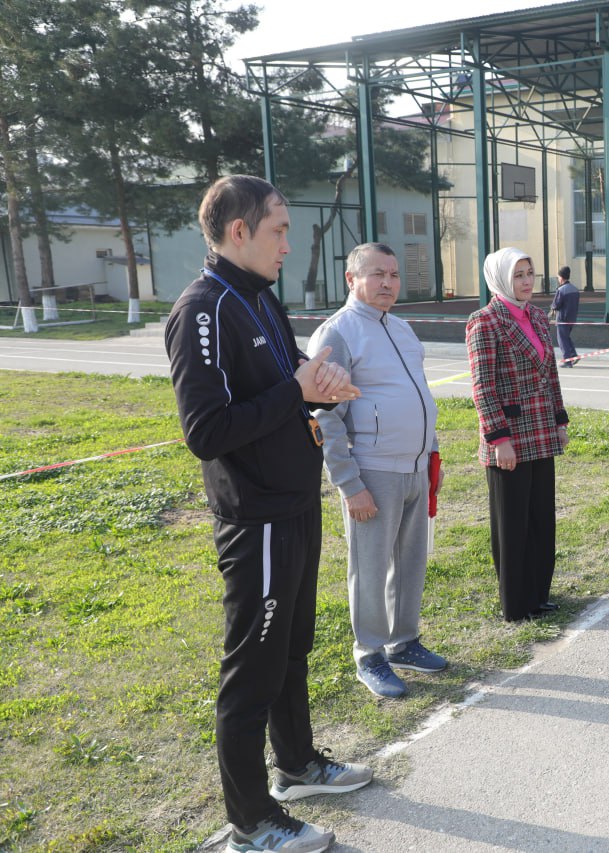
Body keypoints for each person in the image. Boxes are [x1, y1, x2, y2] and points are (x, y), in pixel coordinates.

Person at [165, 175, 370, 853]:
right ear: (238, 232)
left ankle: (298, 765)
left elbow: (291, 384)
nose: (289, 243)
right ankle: (250, 822)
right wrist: (296, 389)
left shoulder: (258, 299)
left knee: (291, 649)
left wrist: (322, 388)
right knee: (251, 666)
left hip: (294, 506)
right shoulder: (203, 308)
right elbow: (205, 429)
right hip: (255, 519)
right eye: (279, 230)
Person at [308, 243, 448, 700]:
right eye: (376, 275)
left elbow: (420, 396)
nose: (388, 283)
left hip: (414, 468)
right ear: (351, 279)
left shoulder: (403, 329)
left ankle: (403, 641)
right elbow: (325, 417)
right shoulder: (338, 335)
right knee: (369, 567)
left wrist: (432, 455)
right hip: (372, 471)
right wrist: (351, 486)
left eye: (393, 274)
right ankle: (369, 652)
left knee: (411, 561)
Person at [466, 247, 570, 621]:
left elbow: (551, 375)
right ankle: (516, 604)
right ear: (499, 279)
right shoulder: (485, 321)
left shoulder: (539, 317)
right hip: (509, 438)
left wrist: (560, 421)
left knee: (542, 519)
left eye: (529, 273)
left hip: (541, 430)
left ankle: (539, 594)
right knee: (512, 524)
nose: (526, 281)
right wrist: (499, 440)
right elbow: (482, 387)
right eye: (518, 275)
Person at [550, 265, 580, 367]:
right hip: (572, 318)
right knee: (566, 337)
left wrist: (551, 310)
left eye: (558, 277)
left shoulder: (561, 290)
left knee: (562, 339)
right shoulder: (575, 289)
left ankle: (567, 361)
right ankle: (573, 355)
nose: (558, 279)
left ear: (561, 278)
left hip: (562, 318)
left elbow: (556, 305)